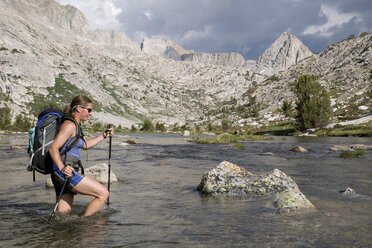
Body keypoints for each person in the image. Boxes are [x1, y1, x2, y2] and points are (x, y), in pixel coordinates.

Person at [49, 95, 114, 217]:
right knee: (103, 193)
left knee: (63, 215)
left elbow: (85, 145)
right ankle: (85, 226)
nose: (90, 114)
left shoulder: (76, 125)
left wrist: (104, 135)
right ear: (79, 108)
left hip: (62, 173)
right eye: (89, 110)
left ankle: (60, 234)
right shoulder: (69, 125)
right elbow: (53, 148)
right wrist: (63, 168)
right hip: (64, 172)